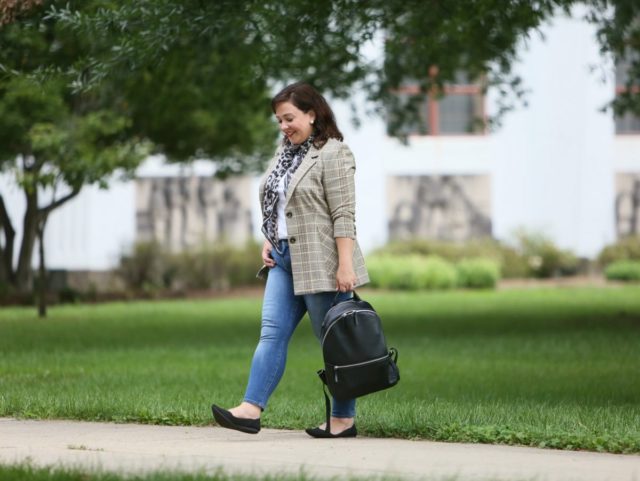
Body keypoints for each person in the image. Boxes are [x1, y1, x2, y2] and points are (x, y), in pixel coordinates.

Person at [211, 82, 369, 438]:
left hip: (322, 261)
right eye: (279, 120)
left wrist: (345, 264)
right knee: (271, 333)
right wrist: (269, 237)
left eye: (289, 118)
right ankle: (250, 410)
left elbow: (344, 214)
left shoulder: (335, 153)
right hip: (283, 258)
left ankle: (343, 419)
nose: (284, 126)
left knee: (332, 341)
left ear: (312, 114)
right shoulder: (285, 154)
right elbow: (280, 205)